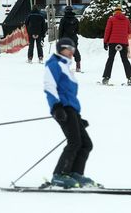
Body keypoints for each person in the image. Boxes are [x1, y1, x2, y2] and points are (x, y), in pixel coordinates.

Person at [43, 37, 102, 188]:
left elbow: (70, 94)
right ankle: (59, 175)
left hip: (72, 110)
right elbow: (49, 87)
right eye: (69, 49)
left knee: (86, 144)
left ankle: (75, 174)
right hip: (62, 109)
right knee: (74, 142)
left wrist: (78, 117)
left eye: (73, 50)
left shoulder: (66, 67)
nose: (71, 52)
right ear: (61, 49)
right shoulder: (54, 64)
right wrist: (56, 107)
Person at [102, 5, 131, 85]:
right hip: (123, 43)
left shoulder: (111, 19)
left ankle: (106, 78)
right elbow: (129, 31)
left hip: (113, 43)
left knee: (110, 59)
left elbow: (107, 31)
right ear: (121, 11)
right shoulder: (126, 20)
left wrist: (105, 42)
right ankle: (130, 78)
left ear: (114, 12)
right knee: (125, 60)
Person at [58, 6, 81, 72]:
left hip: (65, 38)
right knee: (75, 51)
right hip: (74, 38)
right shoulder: (75, 19)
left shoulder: (63, 19)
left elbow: (60, 30)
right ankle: (78, 66)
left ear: (65, 11)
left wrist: (60, 39)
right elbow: (78, 30)